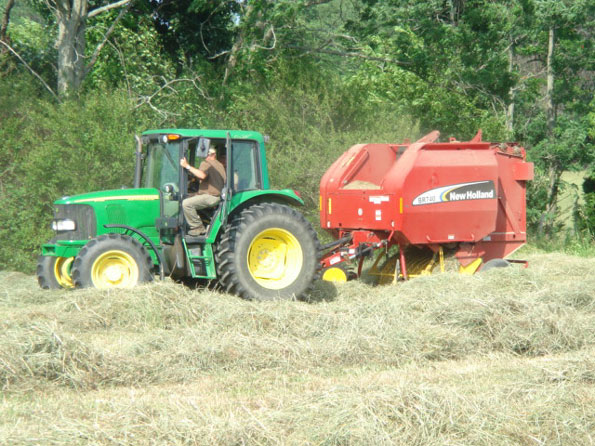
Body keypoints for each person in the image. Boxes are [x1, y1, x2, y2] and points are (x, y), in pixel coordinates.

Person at [180, 148, 226, 236]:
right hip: (216, 196)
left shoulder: (206, 163)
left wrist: (187, 166)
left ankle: (197, 227)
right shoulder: (219, 165)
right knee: (186, 196)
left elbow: (202, 175)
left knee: (186, 203)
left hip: (209, 197)